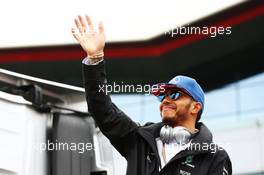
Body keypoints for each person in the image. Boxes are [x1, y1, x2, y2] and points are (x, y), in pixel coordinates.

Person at [71, 15, 232, 175]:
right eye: (163, 96)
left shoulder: (215, 157)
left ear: (195, 107)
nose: (166, 100)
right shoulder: (140, 140)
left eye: (175, 95)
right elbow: (102, 110)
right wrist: (95, 59)